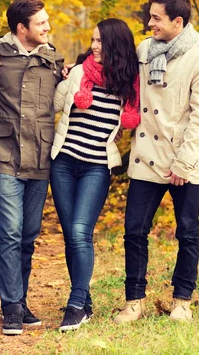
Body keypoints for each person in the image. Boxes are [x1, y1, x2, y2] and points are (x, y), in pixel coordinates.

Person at [114, 0, 199, 324]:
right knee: (134, 230)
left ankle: (182, 301)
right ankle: (135, 301)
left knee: (187, 232)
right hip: (147, 155)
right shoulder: (145, 49)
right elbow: (120, 78)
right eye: (151, 16)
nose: (150, 23)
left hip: (182, 160)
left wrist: (184, 163)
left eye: (157, 18)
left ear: (178, 21)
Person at [50, 18, 141, 331]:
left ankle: (75, 304)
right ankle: (83, 301)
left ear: (116, 44)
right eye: (92, 40)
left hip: (96, 167)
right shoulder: (79, 72)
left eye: (101, 41)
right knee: (71, 236)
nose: (94, 46)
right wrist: (63, 79)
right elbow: (54, 104)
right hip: (63, 163)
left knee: (79, 231)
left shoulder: (130, 84)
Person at [0, 0, 65, 335]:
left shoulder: (53, 59)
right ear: (22, 29)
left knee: (29, 235)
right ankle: (12, 307)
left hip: (40, 157)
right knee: (11, 233)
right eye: (41, 23)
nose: (47, 27)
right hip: (3, 155)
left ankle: (20, 299)